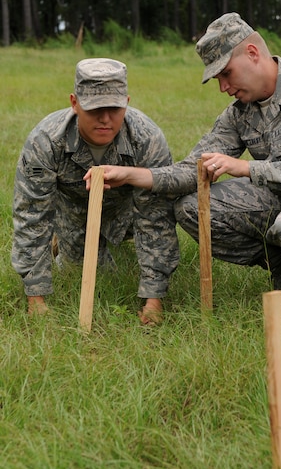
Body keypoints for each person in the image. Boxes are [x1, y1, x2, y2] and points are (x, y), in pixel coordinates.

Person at [84, 14, 281, 302]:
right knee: (191, 208)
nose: (223, 87)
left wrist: (244, 167)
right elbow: (194, 171)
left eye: (226, 73)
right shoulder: (240, 113)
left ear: (253, 52)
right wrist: (130, 174)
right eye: (217, 78)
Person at [12, 57, 179, 324]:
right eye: (94, 109)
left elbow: (156, 218)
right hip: (76, 211)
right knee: (84, 270)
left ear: (127, 102)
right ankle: (64, 239)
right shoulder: (45, 141)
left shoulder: (147, 139)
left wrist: (153, 300)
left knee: (152, 223)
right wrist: (36, 298)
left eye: (114, 108)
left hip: (128, 212)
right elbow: (32, 216)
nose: (105, 119)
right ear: (74, 103)